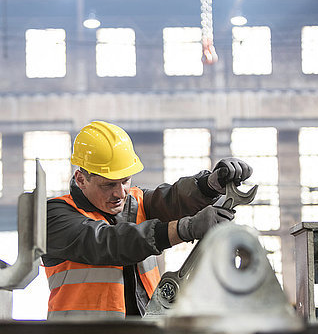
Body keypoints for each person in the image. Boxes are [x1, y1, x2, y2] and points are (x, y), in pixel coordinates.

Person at [43, 121, 252, 319]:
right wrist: (185, 229)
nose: (120, 193)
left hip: (145, 333)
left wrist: (209, 185)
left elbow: (171, 200)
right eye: (109, 185)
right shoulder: (55, 215)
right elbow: (109, 243)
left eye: (125, 181)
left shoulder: (135, 202)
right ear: (81, 179)